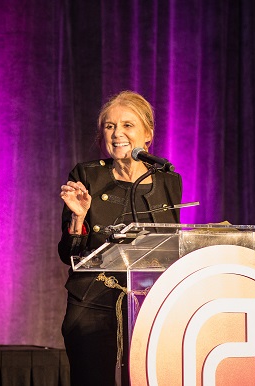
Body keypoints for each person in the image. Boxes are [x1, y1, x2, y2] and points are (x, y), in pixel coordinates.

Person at [58, 90, 182, 386]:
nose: (117, 134)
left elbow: (171, 245)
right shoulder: (87, 175)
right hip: (93, 302)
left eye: (128, 125)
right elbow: (68, 254)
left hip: (149, 304)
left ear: (148, 135)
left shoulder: (169, 180)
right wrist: (79, 216)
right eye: (110, 126)